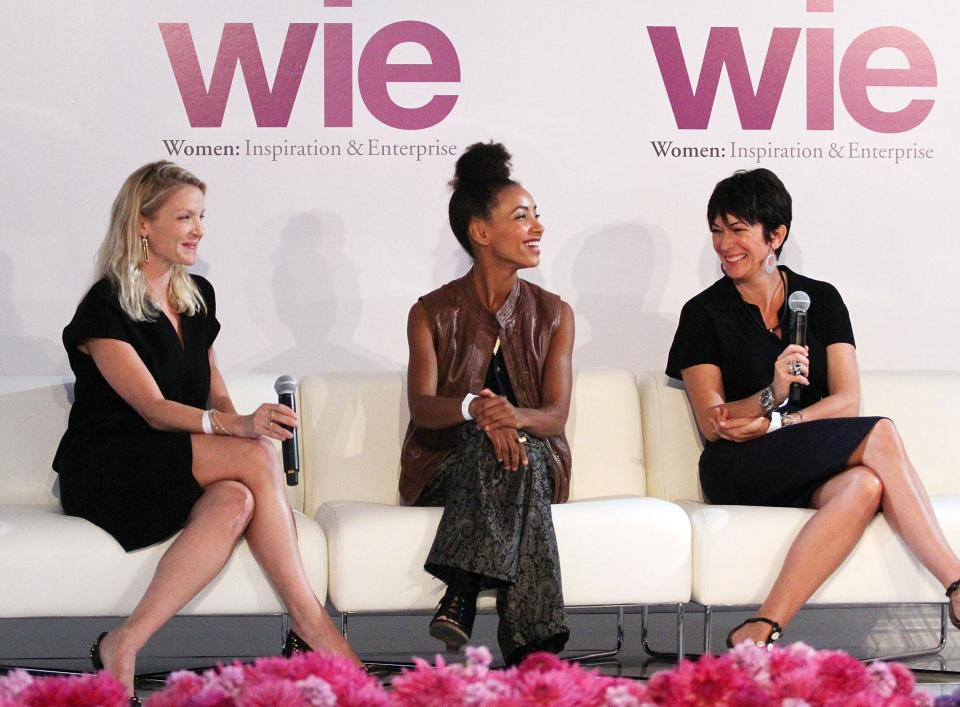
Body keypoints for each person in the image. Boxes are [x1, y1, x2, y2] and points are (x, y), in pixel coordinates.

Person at [53, 161, 359, 702]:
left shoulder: (197, 296)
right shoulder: (103, 307)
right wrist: (235, 428)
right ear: (143, 224)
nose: (198, 229)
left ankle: (123, 644)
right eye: (185, 217)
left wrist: (237, 422)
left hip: (174, 457)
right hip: (110, 464)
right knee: (257, 458)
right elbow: (149, 408)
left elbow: (214, 388)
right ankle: (314, 627)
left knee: (236, 499)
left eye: (201, 216)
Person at [666, 167, 960, 649]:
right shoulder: (703, 313)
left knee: (865, 484)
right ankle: (957, 583)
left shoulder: (820, 300)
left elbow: (847, 401)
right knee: (881, 432)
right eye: (717, 231)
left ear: (775, 234)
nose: (725, 244)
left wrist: (784, 420)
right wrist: (772, 392)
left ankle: (761, 628)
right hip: (738, 465)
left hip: (803, 455)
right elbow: (715, 421)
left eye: (738, 230)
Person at [400, 142, 575, 665]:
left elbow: (555, 416)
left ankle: (460, 588)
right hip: (446, 467)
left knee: (519, 453)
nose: (537, 228)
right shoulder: (431, 312)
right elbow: (423, 409)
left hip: (538, 459)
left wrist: (513, 419)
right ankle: (535, 654)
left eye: (537, 216)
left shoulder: (554, 313)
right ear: (481, 232)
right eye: (521, 217)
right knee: (492, 443)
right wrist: (475, 409)